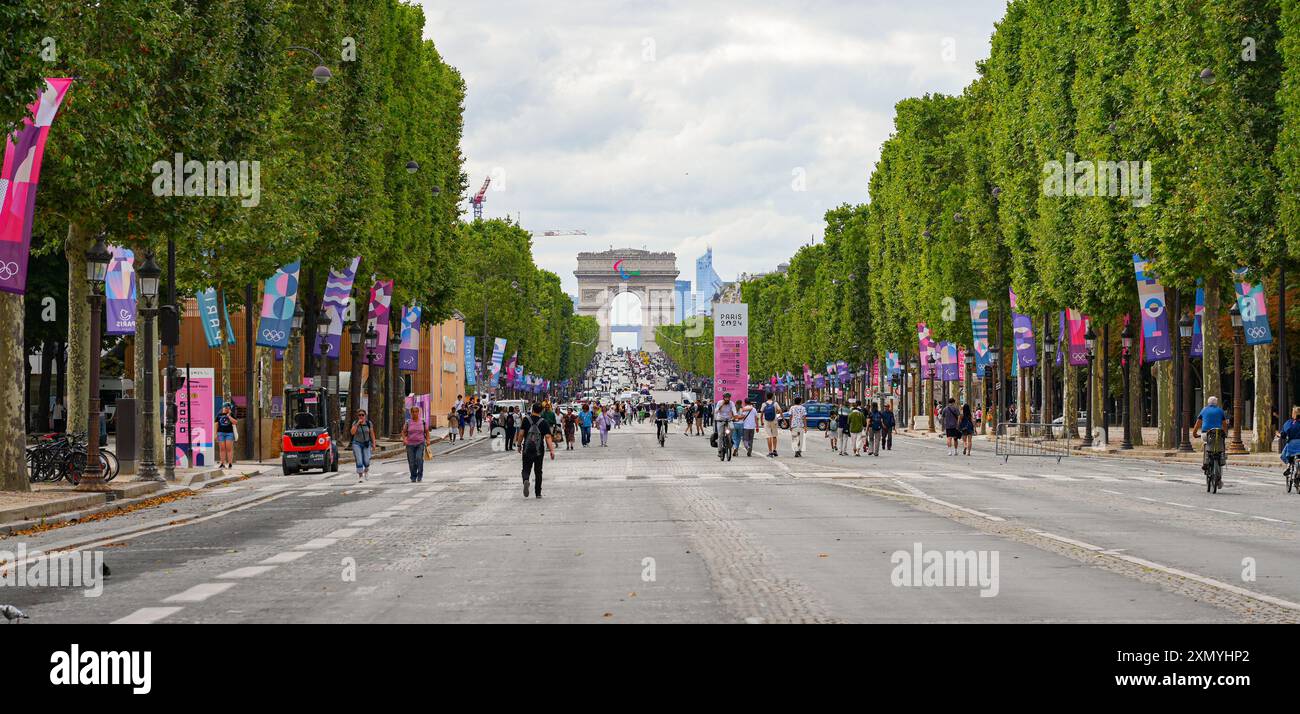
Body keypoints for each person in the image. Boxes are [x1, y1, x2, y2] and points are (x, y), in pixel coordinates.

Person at [516, 402, 555, 499]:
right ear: (541, 410)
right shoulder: (543, 422)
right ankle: (538, 493)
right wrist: (551, 450)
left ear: (532, 410)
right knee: (538, 471)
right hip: (539, 450)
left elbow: (521, 434)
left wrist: (519, 445)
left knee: (526, 468)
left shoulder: (526, 420)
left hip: (527, 449)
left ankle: (526, 479)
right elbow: (548, 437)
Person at [403, 406, 429, 483]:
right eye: (413, 412)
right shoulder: (408, 422)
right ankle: (413, 476)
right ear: (411, 413)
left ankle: (420, 475)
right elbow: (404, 432)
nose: (414, 413)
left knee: (419, 459)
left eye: (416, 412)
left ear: (418, 412)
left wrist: (428, 440)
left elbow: (426, 432)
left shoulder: (422, 422)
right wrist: (404, 439)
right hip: (410, 444)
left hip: (420, 443)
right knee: (411, 462)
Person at [349, 409, 373, 482]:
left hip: (366, 443)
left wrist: (374, 443)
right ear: (358, 416)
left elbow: (372, 433)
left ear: (365, 416)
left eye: (363, 415)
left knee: (366, 460)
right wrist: (357, 424)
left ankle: (366, 471)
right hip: (357, 443)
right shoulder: (355, 423)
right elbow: (352, 433)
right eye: (360, 415)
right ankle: (360, 475)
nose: (361, 416)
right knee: (359, 460)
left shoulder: (369, 423)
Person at [761, 392, 782, 458]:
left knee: (768, 436)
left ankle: (770, 452)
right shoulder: (775, 403)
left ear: (767, 397)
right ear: (772, 396)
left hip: (767, 421)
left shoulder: (764, 404)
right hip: (774, 421)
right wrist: (783, 419)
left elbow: (761, 413)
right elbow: (780, 410)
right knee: (774, 436)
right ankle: (774, 450)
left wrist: (761, 421)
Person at [216, 404, 238, 469]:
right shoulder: (219, 415)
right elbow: (216, 425)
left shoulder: (231, 415)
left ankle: (230, 463)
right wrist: (215, 434)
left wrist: (229, 416)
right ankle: (222, 463)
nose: (226, 409)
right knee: (222, 449)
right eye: (225, 408)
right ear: (223, 408)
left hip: (229, 433)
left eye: (228, 408)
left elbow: (235, 422)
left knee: (229, 449)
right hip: (220, 433)